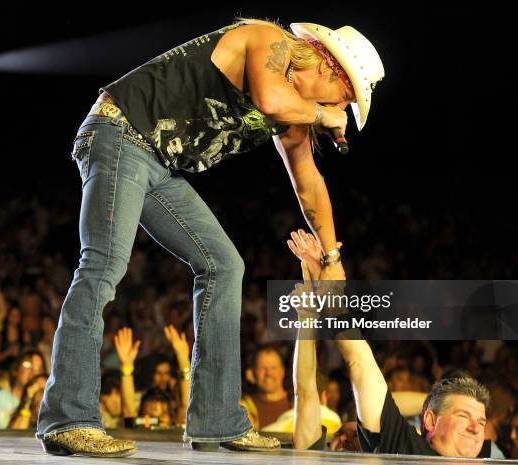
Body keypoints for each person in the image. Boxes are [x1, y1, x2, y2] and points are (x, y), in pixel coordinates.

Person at [36, 17, 384, 457]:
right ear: (333, 71)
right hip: (120, 132)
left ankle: (216, 421)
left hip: (157, 161)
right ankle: (68, 418)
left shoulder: (293, 115)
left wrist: (332, 258)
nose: (340, 109)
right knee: (103, 264)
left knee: (224, 264)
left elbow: (308, 183)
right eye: (346, 100)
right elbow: (270, 98)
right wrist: (322, 113)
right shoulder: (268, 40)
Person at [288, 229, 493, 458]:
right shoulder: (405, 447)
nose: (475, 428)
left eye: (481, 422)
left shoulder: (491, 456)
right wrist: (329, 293)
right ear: (430, 419)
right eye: (463, 416)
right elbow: (359, 360)